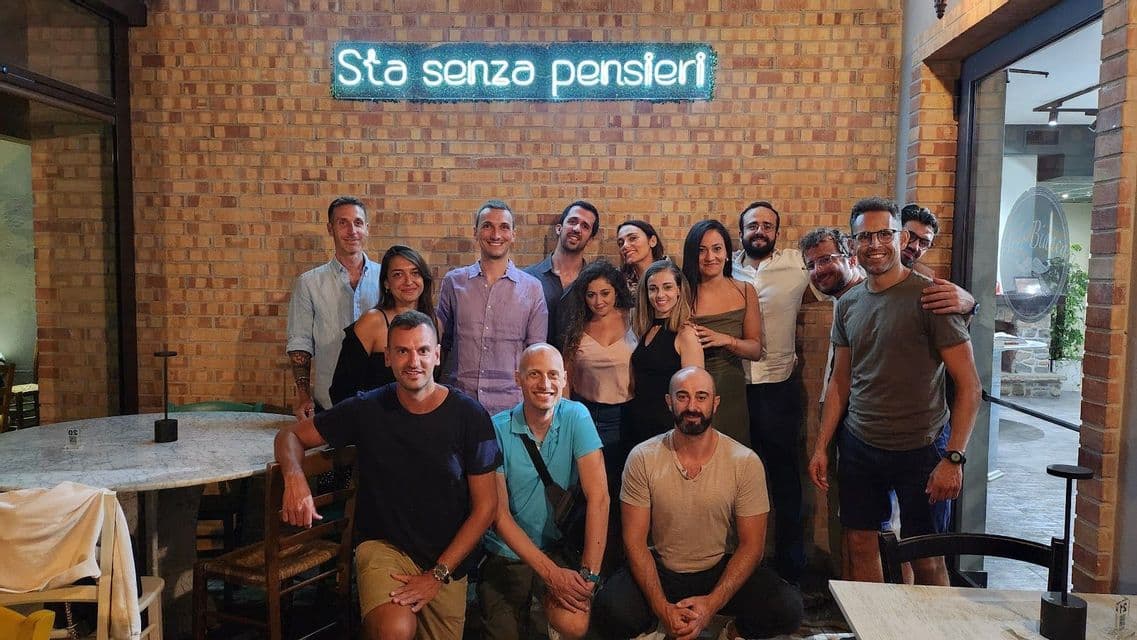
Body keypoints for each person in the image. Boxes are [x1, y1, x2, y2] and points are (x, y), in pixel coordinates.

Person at [275, 310, 501, 640]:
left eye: (423, 350)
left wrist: (437, 574)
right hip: (385, 547)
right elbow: (290, 436)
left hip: (446, 559)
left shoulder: (470, 416)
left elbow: (486, 509)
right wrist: (294, 478)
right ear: (387, 358)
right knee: (395, 630)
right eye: (402, 351)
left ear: (437, 356)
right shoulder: (367, 408)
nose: (414, 361)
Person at [807, 197, 982, 586]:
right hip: (860, 446)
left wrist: (954, 457)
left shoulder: (931, 297)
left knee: (927, 559)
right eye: (864, 236)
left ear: (900, 237)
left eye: (884, 233)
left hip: (922, 449)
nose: (875, 244)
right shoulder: (848, 304)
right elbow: (840, 381)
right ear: (852, 244)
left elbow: (970, 387)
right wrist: (822, 445)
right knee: (861, 546)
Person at [592, 367, 803, 640]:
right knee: (609, 610)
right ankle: (659, 626)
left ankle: (733, 631)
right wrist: (662, 608)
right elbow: (634, 541)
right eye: (682, 397)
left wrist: (711, 605)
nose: (692, 406)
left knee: (787, 608)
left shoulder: (745, 462)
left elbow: (752, 547)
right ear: (669, 402)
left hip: (718, 567)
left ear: (715, 403)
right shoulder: (642, 458)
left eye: (701, 397)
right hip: (662, 568)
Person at [479, 344, 609, 640]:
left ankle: (550, 623)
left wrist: (589, 575)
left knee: (575, 622)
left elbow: (599, 497)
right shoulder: (497, 429)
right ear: (518, 379)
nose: (545, 383)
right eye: (534, 374)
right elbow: (498, 515)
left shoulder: (577, 416)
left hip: (557, 545)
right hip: (507, 552)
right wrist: (551, 575)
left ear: (564, 379)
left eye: (552, 375)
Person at [731, 201, 817, 584]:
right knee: (732, 479)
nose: (760, 231)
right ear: (741, 231)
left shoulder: (797, 264)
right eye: (753, 225)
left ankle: (791, 570)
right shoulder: (722, 265)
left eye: (767, 225)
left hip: (779, 388)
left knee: (785, 481)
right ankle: (735, 567)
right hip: (732, 388)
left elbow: (843, 277)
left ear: (777, 233)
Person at [436, 199, 548, 416]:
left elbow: (536, 354)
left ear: (513, 234)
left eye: (504, 227)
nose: (496, 234)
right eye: (487, 226)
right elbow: (441, 342)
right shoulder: (453, 282)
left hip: (511, 406)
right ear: (475, 232)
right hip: (459, 402)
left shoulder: (533, 289)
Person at [286, 195, 381, 419]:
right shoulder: (308, 283)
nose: (351, 230)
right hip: (328, 404)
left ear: (367, 228)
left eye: (358, 223)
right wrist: (303, 395)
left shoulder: (385, 279)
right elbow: (300, 342)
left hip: (380, 402)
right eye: (342, 223)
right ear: (330, 228)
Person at [682, 219, 763, 446]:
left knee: (732, 456)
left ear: (727, 253)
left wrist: (725, 340)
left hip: (731, 389)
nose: (710, 257)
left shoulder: (745, 291)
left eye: (717, 249)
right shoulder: (681, 292)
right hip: (689, 393)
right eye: (701, 250)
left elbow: (756, 349)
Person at [329, 245, 434, 404]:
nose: (408, 281)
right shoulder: (372, 323)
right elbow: (341, 390)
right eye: (398, 274)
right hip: (375, 421)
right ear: (386, 282)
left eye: (415, 273)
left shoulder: (435, 323)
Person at [561, 259, 636, 480]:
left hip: (629, 413)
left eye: (605, 293)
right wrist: (565, 419)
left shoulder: (634, 318)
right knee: (589, 482)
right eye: (591, 295)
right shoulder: (577, 326)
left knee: (623, 481)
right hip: (587, 413)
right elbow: (566, 377)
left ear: (616, 291)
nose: (598, 301)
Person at [625, 259, 703, 450]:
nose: (659, 295)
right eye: (653, 289)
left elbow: (695, 391)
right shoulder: (644, 328)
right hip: (637, 423)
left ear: (679, 290)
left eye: (667, 287)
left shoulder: (686, 334)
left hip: (667, 429)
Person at [524, 201, 601, 350]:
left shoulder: (595, 283)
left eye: (585, 226)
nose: (577, 228)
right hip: (538, 368)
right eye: (572, 221)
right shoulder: (529, 278)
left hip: (581, 369)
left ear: (590, 239)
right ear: (559, 228)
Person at [900, 203, 977, 315]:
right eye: (910, 236)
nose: (915, 246)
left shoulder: (927, 283)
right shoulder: (868, 272)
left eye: (924, 243)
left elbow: (950, 327)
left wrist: (971, 306)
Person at [616, 220, 666, 296]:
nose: (625, 246)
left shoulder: (671, 274)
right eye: (621, 243)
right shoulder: (617, 279)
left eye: (633, 238)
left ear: (652, 241)